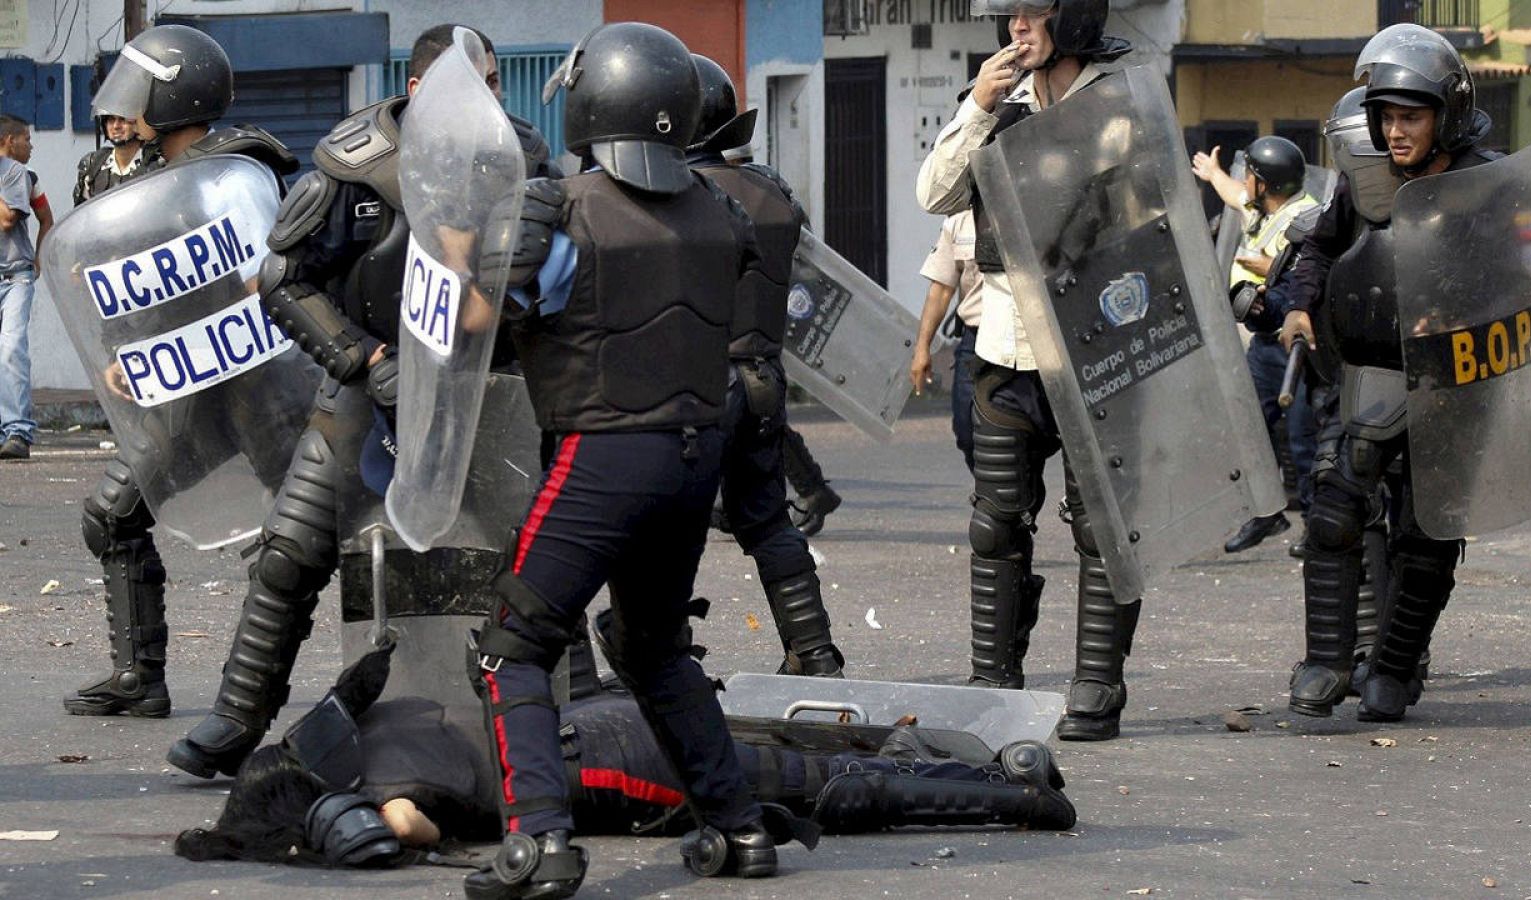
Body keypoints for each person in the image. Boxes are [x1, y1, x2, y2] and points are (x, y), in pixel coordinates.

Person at [165, 23, 555, 777]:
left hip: (487, 393)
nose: (484, 98)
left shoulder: (526, 160)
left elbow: (552, 275)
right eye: (465, 83)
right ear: (417, 88)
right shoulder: (354, 162)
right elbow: (283, 279)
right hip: (362, 387)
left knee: (535, 559)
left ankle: (572, 707)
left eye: (492, 82)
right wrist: (364, 357)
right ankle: (237, 716)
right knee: (289, 554)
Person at [460, 22, 785, 898]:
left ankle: (539, 844)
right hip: (694, 456)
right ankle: (740, 827)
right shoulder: (720, 210)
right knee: (652, 646)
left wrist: (457, 257)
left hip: (601, 454)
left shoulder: (560, 210)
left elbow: (483, 321)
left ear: (592, 104)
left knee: (511, 648)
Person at [172, 639, 1076, 869]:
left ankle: (1021, 795)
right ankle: (989, 774)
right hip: (589, 716)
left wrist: (327, 843)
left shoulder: (389, 792)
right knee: (791, 766)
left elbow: (399, 832)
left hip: (601, 765)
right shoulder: (353, 720)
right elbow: (358, 685)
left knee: (812, 786)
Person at [63, 24, 302, 718]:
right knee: (111, 517)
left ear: (172, 95)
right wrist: (127, 353)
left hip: (257, 390)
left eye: (137, 91)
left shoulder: (233, 171)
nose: (123, 108)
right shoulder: (157, 173)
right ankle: (139, 677)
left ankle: (248, 696)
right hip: (187, 389)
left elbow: (253, 276)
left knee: (288, 547)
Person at [916, 0, 1139, 741]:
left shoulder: (1120, 105)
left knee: (1102, 525)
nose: (1017, 27)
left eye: (1034, 12)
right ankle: (994, 681)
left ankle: (1098, 683)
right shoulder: (997, 108)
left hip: (1096, 350)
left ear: (1072, 17)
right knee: (996, 522)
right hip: (1005, 349)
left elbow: (1148, 223)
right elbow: (936, 196)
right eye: (1010, 13)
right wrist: (978, 107)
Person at [1279, 25, 1501, 721]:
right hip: (1374, 372)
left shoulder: (1485, 183)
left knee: (1426, 539)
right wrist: (1301, 306)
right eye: (1387, 118)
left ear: (1446, 116)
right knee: (1334, 512)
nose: (1396, 132)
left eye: (1411, 117)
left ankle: (1394, 671)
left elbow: (1520, 276)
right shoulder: (1368, 181)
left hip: (1456, 382)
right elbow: (1320, 248)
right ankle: (1326, 662)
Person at [685, 54, 845, 677]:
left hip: (696, 386)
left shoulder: (676, 196)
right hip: (763, 378)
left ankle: (661, 654)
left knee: (664, 527)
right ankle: (815, 652)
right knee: (769, 523)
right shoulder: (772, 192)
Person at [1191, 136, 1321, 553]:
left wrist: (1268, 268)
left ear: (1266, 183)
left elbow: (1309, 271)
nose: (1244, 181)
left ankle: (1317, 526)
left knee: (1303, 439)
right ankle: (1265, 513)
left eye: (1250, 175)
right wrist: (1213, 174)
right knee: (1248, 428)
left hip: (1295, 344)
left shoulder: (1304, 219)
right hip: (1263, 342)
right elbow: (1235, 196)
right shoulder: (1264, 207)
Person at [912, 210, 983, 472]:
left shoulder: (1037, 211)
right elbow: (941, 290)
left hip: (1032, 339)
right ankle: (992, 489)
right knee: (966, 428)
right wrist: (922, 348)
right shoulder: (960, 222)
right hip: (977, 338)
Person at [0, 116, 39, 461]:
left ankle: (17, 431)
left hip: (15, 277)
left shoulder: (14, 173)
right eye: (26, 138)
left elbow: (6, 219)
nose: (31, 144)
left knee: (12, 349)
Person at [73, 115, 160, 206]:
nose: (116, 126)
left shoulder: (156, 165)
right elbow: (82, 211)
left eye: (123, 119)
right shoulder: (93, 164)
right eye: (111, 119)